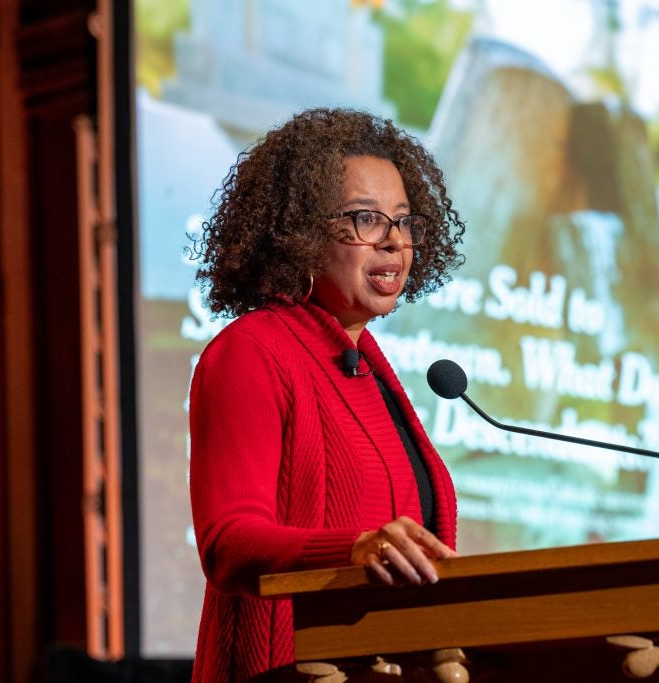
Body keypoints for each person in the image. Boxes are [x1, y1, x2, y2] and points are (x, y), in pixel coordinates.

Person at [188, 108, 466, 681]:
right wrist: (354, 548)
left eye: (404, 221)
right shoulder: (252, 352)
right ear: (298, 231)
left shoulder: (373, 370)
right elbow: (228, 543)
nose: (393, 241)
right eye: (366, 219)